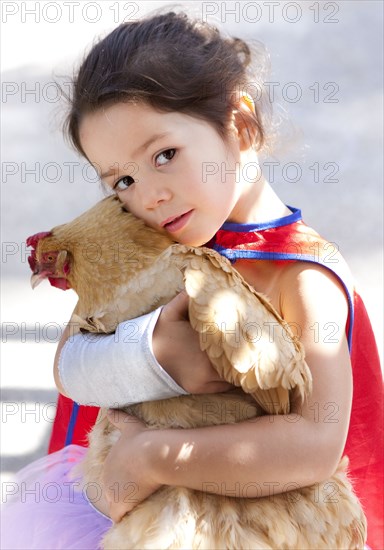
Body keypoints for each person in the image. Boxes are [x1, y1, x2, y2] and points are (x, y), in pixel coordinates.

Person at [2, 11, 383, 550]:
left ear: (240, 125)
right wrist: (149, 352)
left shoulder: (302, 277)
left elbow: (317, 444)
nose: (149, 196)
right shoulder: (145, 241)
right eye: (124, 180)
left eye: (165, 155)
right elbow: (71, 364)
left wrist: (152, 456)